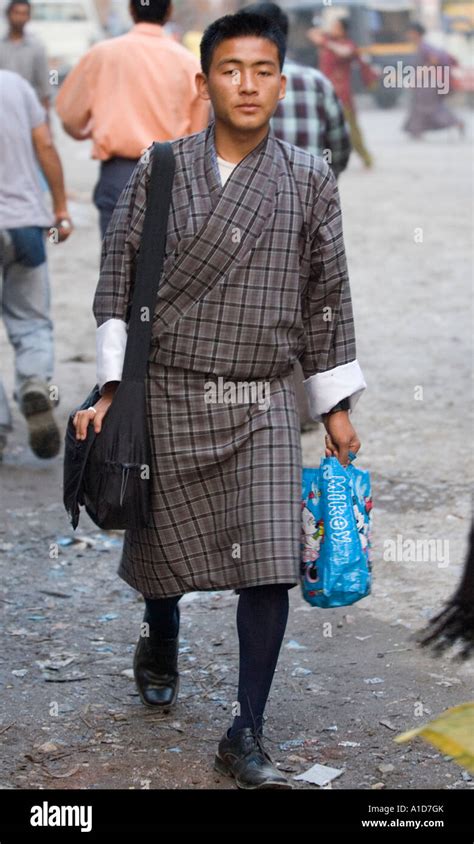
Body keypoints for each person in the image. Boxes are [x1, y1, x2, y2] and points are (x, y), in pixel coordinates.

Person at [73, 11, 366, 789]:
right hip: (168, 389)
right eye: (231, 69)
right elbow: (117, 281)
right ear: (203, 83)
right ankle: (160, 632)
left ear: (282, 80)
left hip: (264, 398)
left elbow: (325, 295)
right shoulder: (159, 166)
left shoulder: (309, 177)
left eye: (262, 69)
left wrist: (333, 401)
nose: (247, 84)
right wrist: (111, 390)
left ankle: (247, 731)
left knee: (270, 563)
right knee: (162, 558)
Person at [243, 2, 351, 434]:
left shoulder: (237, 87)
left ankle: (261, 401)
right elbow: (339, 145)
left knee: (258, 300)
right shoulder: (317, 82)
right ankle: (305, 408)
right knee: (312, 302)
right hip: (310, 208)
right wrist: (324, 184)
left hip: (248, 209)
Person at [55, 0, 210, 238]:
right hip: (171, 177)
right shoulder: (189, 64)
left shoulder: (102, 54)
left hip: (119, 174)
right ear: (169, 12)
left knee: (115, 266)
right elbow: (198, 134)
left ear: (130, 10)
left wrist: (88, 130)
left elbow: (68, 114)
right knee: (164, 265)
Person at [0, 70, 72, 461]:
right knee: (30, 320)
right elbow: (44, 144)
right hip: (25, 222)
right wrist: (60, 209)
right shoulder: (16, 85)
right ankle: (33, 383)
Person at [308, 17, 374, 168]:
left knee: (351, 130)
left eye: (335, 26)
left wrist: (327, 42)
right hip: (324, 94)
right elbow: (312, 33)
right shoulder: (328, 40)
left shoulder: (347, 44)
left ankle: (366, 158)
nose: (332, 28)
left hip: (342, 95)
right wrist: (327, 31)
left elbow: (344, 52)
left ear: (343, 30)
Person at [403, 22, 464, 140]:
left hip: (430, 84)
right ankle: (416, 131)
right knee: (418, 107)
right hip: (425, 85)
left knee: (431, 109)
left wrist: (419, 76)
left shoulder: (425, 47)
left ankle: (457, 123)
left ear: (416, 33)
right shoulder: (420, 46)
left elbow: (434, 61)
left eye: (410, 32)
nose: (408, 35)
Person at [0, 0, 51, 109]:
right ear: (8, 15)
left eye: (24, 14)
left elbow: (44, 84)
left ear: (28, 17)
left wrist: (46, 118)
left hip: (29, 108)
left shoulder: (37, 47)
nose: (19, 18)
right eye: (16, 13)